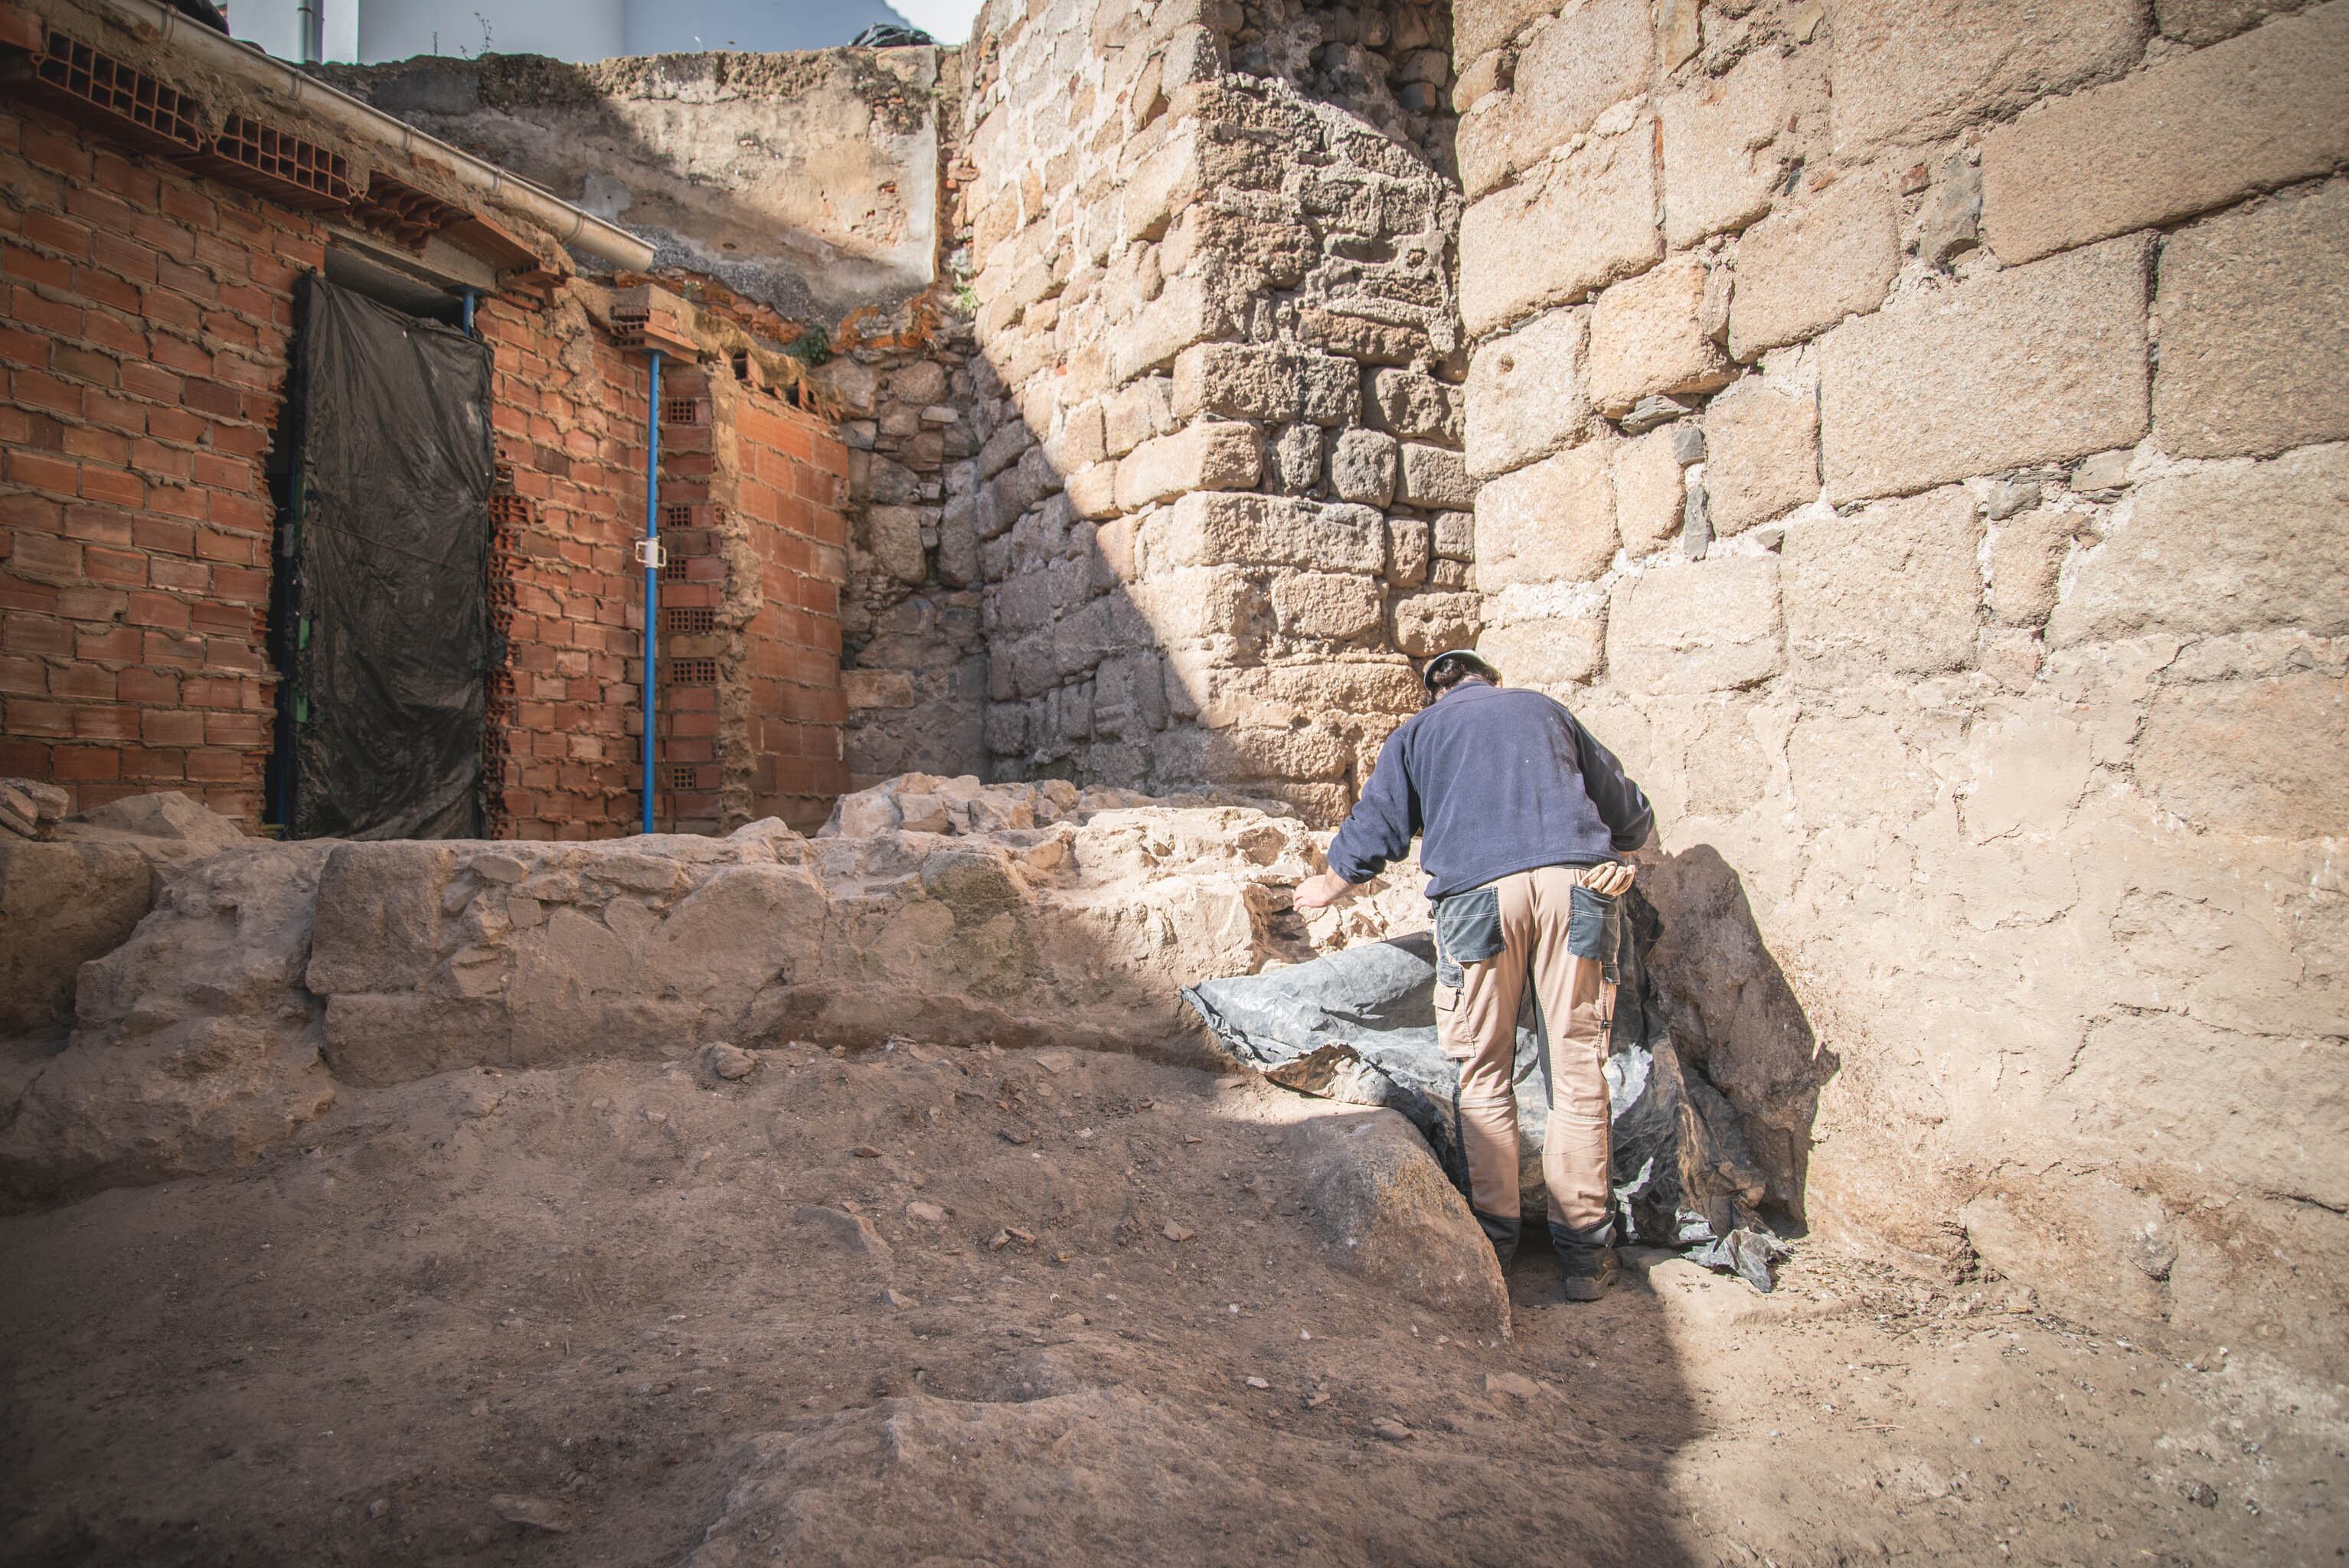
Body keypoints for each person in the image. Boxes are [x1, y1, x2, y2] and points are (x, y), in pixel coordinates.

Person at [1293, 649, 1654, 1302]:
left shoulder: (1419, 733)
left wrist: (1332, 883)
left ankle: (1494, 1247)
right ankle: (1585, 1259)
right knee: (1576, 1072)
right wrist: (1621, 847)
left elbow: (1379, 826)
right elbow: (1627, 813)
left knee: (1482, 1072)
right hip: (1578, 886)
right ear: (1494, 680)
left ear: (1436, 694)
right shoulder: (1545, 710)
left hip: (1478, 898)